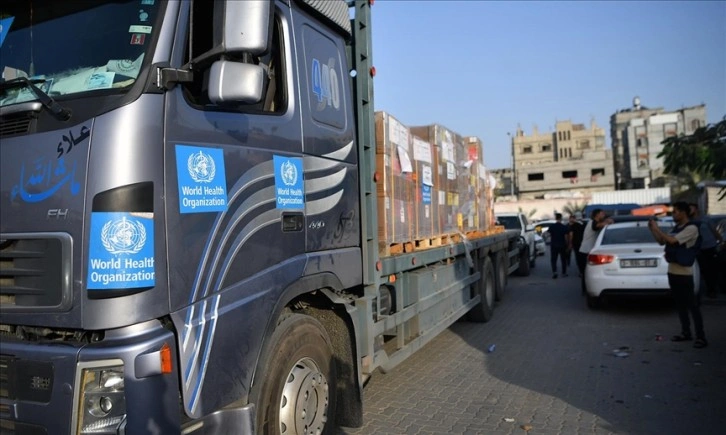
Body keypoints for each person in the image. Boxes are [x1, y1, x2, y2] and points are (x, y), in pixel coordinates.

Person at [648, 201, 707, 349]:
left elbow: (673, 240)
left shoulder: (692, 228)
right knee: (680, 305)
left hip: (684, 273)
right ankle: (685, 332)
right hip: (673, 271)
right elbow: (662, 242)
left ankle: (701, 337)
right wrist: (653, 230)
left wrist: (658, 230)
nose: (673, 214)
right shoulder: (677, 228)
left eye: (675, 212)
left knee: (692, 305)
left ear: (683, 213)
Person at [688, 203, 725, 298]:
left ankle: (712, 290)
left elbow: (714, 231)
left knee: (712, 270)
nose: (689, 210)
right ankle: (703, 290)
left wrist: (721, 242)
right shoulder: (689, 221)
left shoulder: (705, 219)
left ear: (696, 209)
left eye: (691, 208)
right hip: (698, 249)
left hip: (710, 247)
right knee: (702, 270)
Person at [579, 209, 613, 293]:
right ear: (597, 215)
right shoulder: (592, 223)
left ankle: (585, 290)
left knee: (586, 272)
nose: (604, 215)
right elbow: (596, 226)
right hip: (586, 251)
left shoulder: (595, 222)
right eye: (602, 213)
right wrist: (607, 222)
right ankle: (586, 290)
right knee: (586, 272)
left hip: (588, 251)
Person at [548, 213, 570, 279]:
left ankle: (555, 272)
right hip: (562, 245)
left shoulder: (552, 227)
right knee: (563, 259)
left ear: (556, 218)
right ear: (561, 218)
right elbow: (566, 237)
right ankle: (564, 273)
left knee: (553, 259)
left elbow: (548, 234)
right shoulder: (564, 227)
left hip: (554, 245)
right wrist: (567, 245)